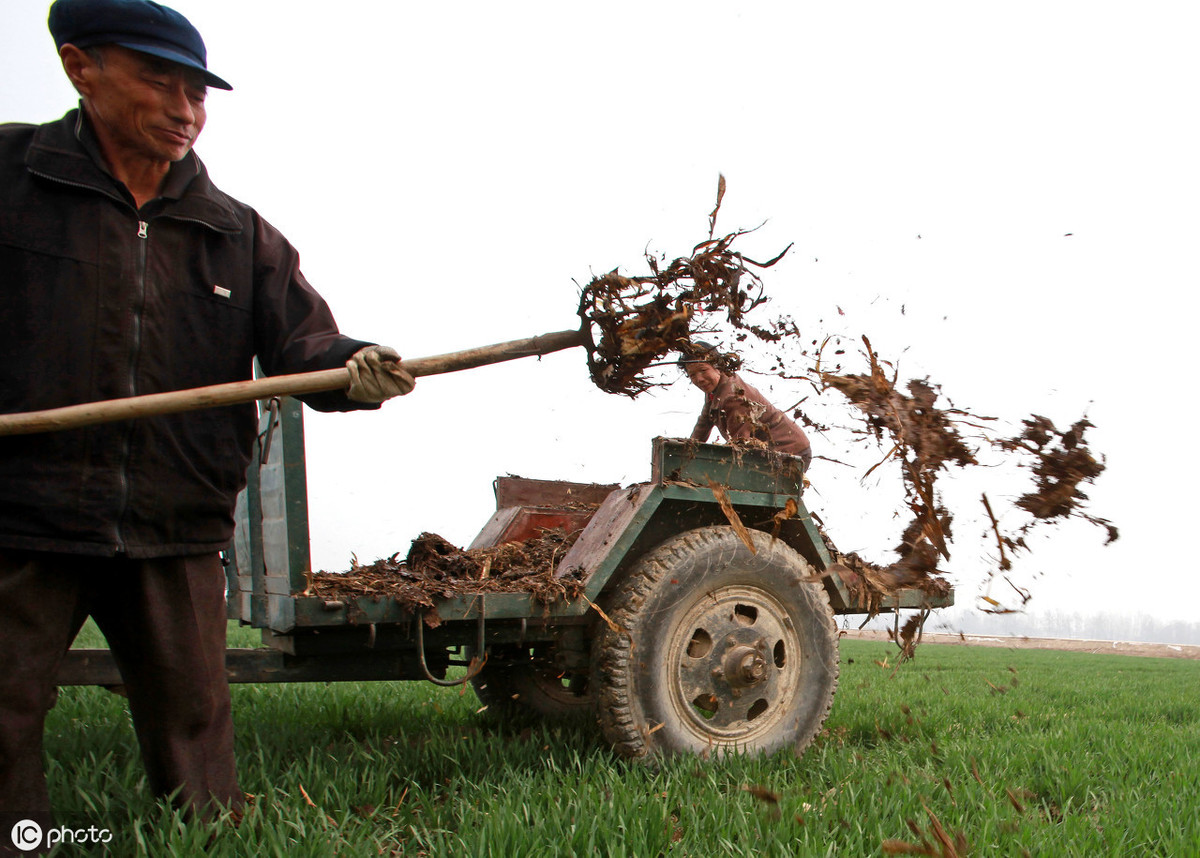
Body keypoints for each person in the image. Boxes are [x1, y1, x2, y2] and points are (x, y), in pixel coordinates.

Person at [0, 0, 416, 828]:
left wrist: (352, 371)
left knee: (194, 728)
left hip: (173, 517)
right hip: (25, 513)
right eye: (161, 83)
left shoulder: (235, 233)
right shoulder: (12, 180)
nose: (186, 112)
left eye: (198, 93)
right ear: (81, 68)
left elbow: (306, 345)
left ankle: (209, 844)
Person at [680, 344, 813, 470]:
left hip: (790, 451)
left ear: (717, 366)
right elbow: (702, 425)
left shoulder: (733, 396)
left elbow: (740, 445)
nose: (699, 379)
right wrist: (685, 453)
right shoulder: (714, 391)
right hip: (771, 452)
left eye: (703, 370)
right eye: (692, 375)